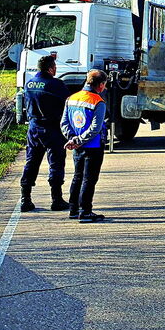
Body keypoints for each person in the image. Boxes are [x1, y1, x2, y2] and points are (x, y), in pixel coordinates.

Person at [20, 55, 72, 213]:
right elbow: (67, 103)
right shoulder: (56, 84)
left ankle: (25, 199)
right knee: (56, 163)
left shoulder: (29, 83)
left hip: (34, 127)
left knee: (31, 162)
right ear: (50, 68)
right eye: (54, 67)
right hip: (52, 128)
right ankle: (56, 199)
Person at [61, 69, 109, 223]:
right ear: (100, 85)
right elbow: (95, 128)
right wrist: (80, 140)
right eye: (104, 85)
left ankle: (73, 209)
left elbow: (64, 123)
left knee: (77, 177)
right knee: (89, 179)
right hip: (93, 146)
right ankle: (85, 211)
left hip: (77, 146)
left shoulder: (71, 98)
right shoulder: (98, 102)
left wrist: (73, 139)